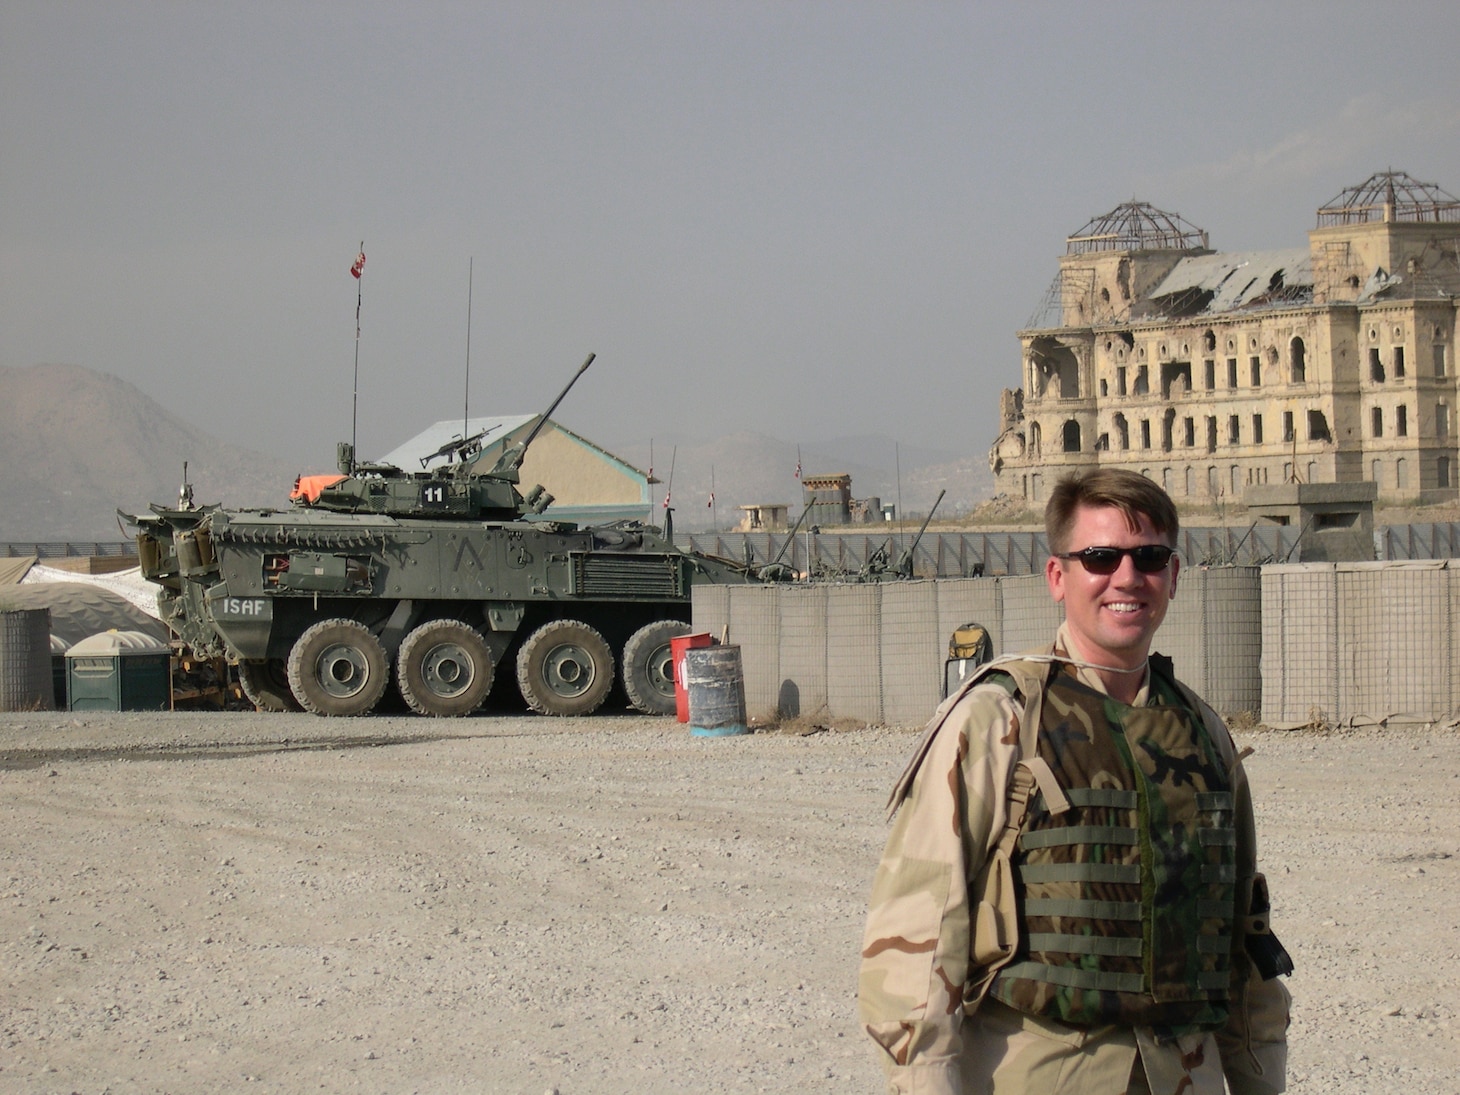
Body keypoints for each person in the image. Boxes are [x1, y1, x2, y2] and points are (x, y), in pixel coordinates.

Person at [858, 469, 1291, 1095]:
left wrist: (1260, 1080)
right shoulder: (999, 719)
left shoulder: (1202, 734)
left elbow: (1240, 941)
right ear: (1058, 577)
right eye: (1099, 557)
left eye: (1149, 557)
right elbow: (919, 933)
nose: (1126, 577)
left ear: (1172, 576)